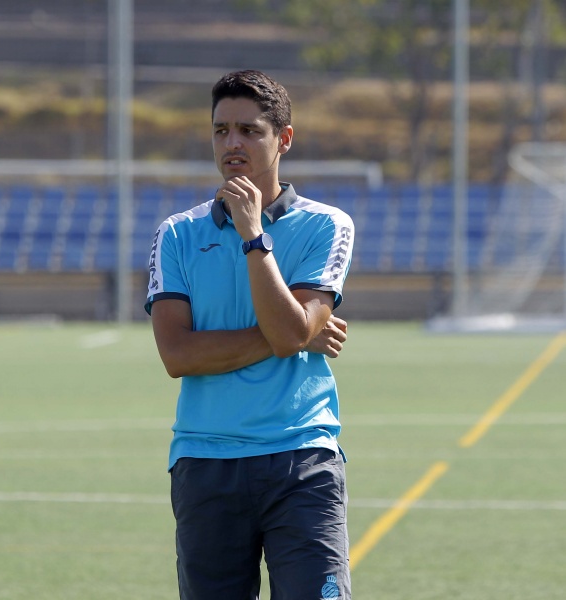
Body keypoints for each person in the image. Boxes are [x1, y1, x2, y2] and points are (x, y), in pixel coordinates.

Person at [145, 69, 355, 600]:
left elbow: (289, 332)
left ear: (283, 138)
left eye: (248, 130)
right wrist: (298, 332)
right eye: (220, 131)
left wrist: (253, 236)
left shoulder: (327, 225)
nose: (231, 143)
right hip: (205, 462)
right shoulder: (176, 233)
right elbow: (177, 353)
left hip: (303, 458)